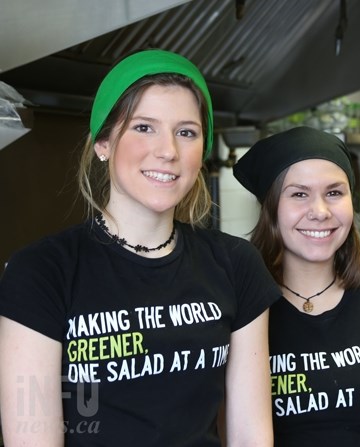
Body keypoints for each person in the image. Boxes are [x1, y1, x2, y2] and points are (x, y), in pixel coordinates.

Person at [0, 49, 279, 446]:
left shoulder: (236, 265)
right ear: (104, 143)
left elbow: (250, 434)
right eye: (144, 127)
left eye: (187, 132)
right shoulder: (42, 271)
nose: (168, 150)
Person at [232, 126, 360, 446]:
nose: (320, 212)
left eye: (334, 193)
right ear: (271, 208)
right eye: (299, 194)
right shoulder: (244, 313)